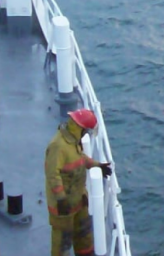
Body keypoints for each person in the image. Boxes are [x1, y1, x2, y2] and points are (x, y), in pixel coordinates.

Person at [44, 109, 112, 256]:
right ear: (81, 129)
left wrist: (97, 165)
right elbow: (53, 175)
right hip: (63, 206)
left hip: (78, 199)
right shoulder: (58, 146)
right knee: (62, 243)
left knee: (84, 235)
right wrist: (61, 199)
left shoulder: (72, 141)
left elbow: (80, 158)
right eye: (86, 131)